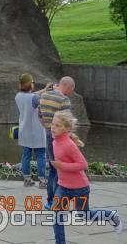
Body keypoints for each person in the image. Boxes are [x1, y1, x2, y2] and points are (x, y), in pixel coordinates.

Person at [50, 110, 122, 243]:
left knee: (85, 215)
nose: (53, 127)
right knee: (56, 214)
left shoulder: (69, 145)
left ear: (66, 129)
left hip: (79, 188)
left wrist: (61, 165)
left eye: (57, 125)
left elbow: (83, 165)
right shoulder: (55, 141)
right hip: (62, 186)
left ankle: (111, 215)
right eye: (53, 124)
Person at [37, 76, 74, 209]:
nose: (71, 92)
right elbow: (67, 123)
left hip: (48, 133)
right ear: (68, 87)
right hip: (60, 138)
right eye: (71, 90)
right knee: (60, 168)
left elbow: (39, 116)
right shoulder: (65, 100)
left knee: (52, 168)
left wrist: (48, 127)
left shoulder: (44, 96)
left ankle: (50, 201)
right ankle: (59, 202)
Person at [15, 73, 51, 188]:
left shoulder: (18, 96)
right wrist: (50, 91)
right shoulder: (35, 98)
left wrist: (44, 89)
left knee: (26, 154)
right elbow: (35, 98)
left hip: (24, 130)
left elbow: (31, 96)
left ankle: (27, 179)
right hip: (36, 130)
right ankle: (42, 181)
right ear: (30, 84)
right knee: (41, 155)